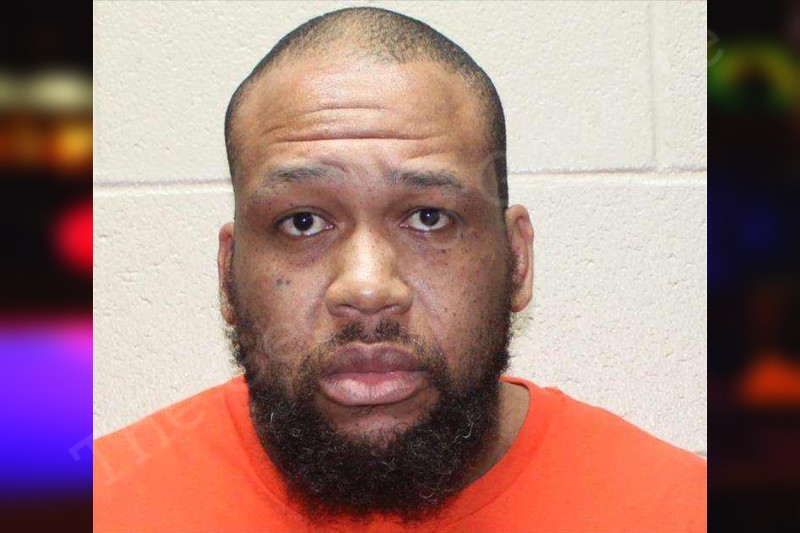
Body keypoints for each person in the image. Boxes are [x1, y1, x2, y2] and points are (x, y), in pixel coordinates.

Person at [93, 7, 706, 532]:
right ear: (229, 274)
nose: (367, 288)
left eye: (429, 218)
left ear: (517, 260)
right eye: (302, 221)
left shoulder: (680, 511)